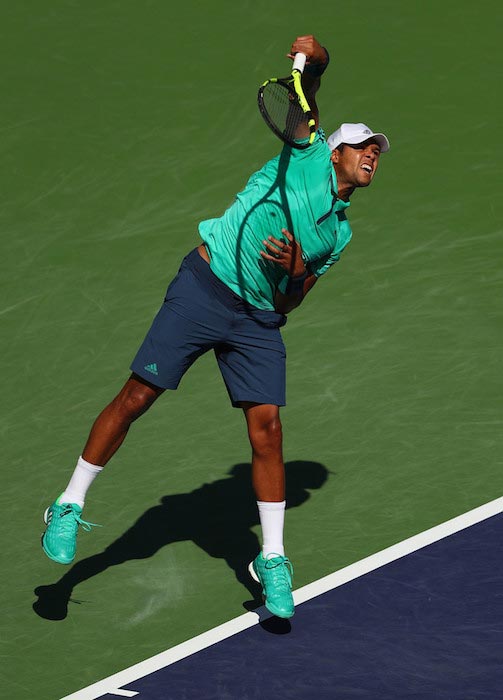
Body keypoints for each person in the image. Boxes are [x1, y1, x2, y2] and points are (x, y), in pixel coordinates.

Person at [41, 35, 390, 620]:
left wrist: (298, 270)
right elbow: (312, 82)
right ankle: (69, 503)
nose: (373, 154)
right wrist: (318, 54)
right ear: (334, 151)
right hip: (205, 288)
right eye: (363, 146)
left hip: (256, 318)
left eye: (378, 151)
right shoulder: (301, 152)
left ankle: (272, 558)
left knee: (269, 429)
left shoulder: (340, 234)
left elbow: (297, 299)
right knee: (137, 396)